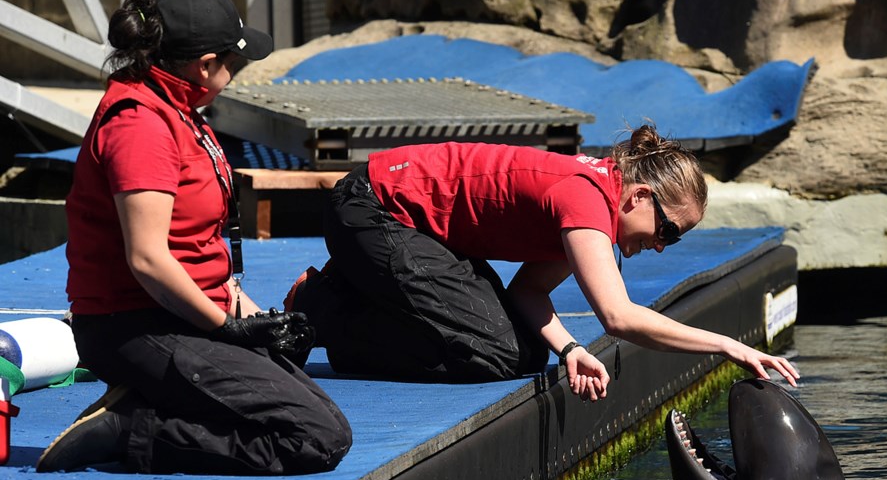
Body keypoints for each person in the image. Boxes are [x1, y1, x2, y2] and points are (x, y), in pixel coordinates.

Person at [37, 0, 352, 475]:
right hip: (135, 324)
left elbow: (196, 242)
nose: (234, 74)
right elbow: (147, 258)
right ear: (205, 67)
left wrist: (260, 321)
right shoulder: (140, 127)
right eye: (233, 62)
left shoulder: (176, 107)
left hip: (183, 315)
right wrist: (227, 329)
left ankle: (156, 399)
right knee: (316, 438)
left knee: (327, 416)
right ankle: (130, 430)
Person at [285, 127, 800, 400]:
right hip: (371, 210)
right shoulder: (586, 201)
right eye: (667, 231)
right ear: (639, 196)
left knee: (522, 352)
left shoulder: (594, 203)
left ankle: (355, 299)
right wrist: (726, 345)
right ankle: (322, 308)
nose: (662, 246)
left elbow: (527, 294)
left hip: (415, 231)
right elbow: (618, 317)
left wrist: (570, 348)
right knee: (491, 350)